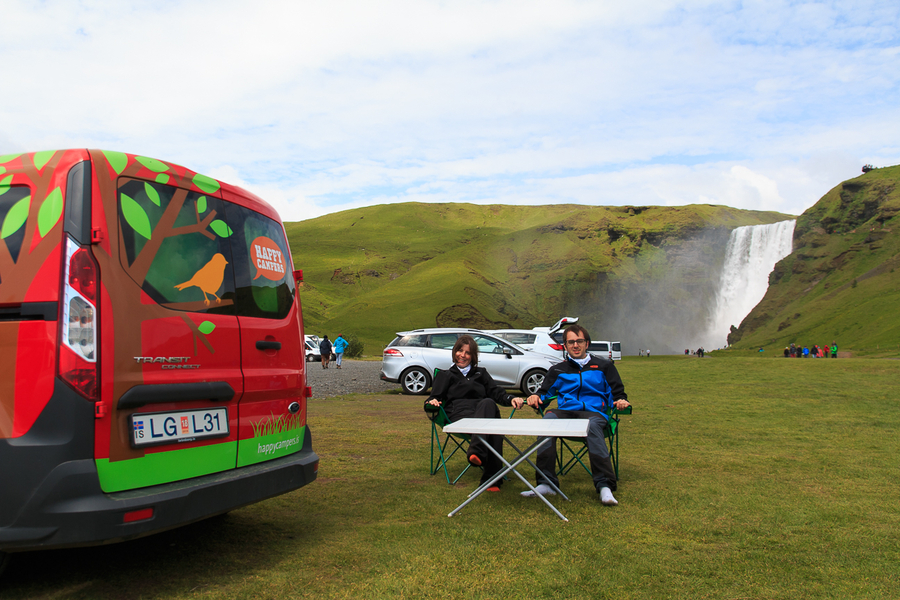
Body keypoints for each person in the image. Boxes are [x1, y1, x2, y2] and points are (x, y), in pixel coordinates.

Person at [523, 324, 631, 506]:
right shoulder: (557, 370)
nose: (575, 345)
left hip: (593, 413)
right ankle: (546, 483)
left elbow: (617, 392)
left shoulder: (604, 366)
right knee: (547, 421)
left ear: (587, 343)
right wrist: (535, 397)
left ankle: (605, 486)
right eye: (570, 342)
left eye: (579, 341)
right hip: (565, 412)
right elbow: (543, 394)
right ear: (565, 346)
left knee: (592, 426)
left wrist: (621, 401)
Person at [425, 335, 525, 492]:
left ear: (473, 356)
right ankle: (491, 479)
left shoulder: (481, 373)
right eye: (460, 351)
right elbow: (433, 398)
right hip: (458, 416)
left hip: (481, 414)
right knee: (493, 426)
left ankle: (478, 452)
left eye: (468, 352)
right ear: (454, 352)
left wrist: (511, 398)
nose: (463, 355)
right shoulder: (445, 375)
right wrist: (432, 402)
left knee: (488, 404)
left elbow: (496, 392)